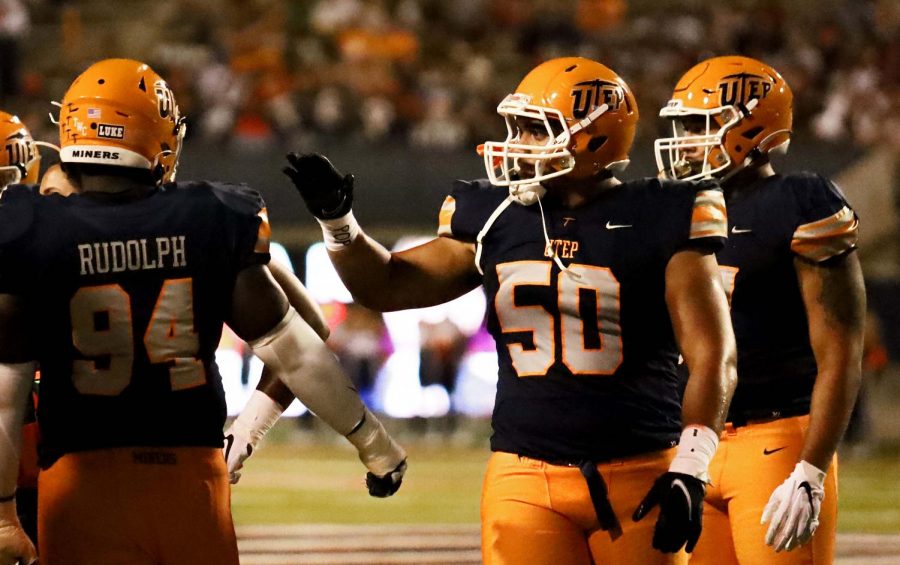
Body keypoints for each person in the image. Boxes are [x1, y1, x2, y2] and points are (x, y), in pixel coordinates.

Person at [286, 56, 737, 564]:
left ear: (593, 138)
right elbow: (388, 285)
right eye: (516, 127)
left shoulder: (663, 213)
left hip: (640, 468)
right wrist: (338, 222)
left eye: (534, 129)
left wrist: (692, 465)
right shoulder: (498, 213)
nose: (517, 143)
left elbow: (713, 353)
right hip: (524, 473)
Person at [0, 58, 406, 565]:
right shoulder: (209, 216)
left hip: (78, 485)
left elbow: (5, 389)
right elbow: (296, 348)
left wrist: (2, 514)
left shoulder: (30, 227)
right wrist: (374, 443)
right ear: (158, 138)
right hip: (188, 480)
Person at [654, 55, 866, 563]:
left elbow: (840, 352)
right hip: (688, 446)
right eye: (682, 124)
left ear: (750, 130)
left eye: (699, 124)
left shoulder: (798, 201)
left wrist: (811, 469)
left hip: (775, 440)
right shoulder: (672, 209)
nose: (685, 138)